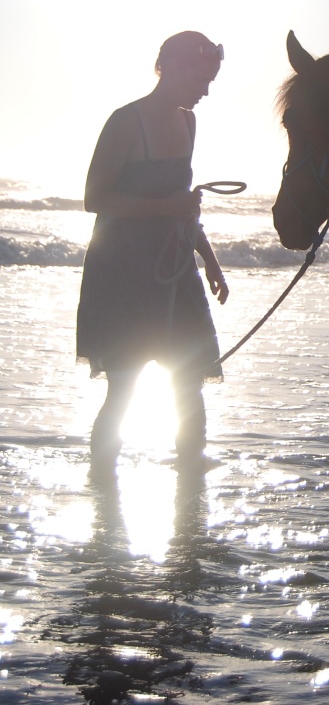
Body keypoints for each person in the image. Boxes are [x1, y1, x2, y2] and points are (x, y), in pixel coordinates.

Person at [77, 31, 228, 475]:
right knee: (123, 387)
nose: (205, 91)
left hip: (175, 269)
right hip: (122, 271)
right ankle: (101, 484)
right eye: (202, 80)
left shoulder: (189, 123)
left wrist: (210, 259)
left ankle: (192, 486)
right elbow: (94, 198)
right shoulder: (126, 122)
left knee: (189, 380)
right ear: (173, 68)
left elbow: (183, 202)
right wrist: (166, 208)